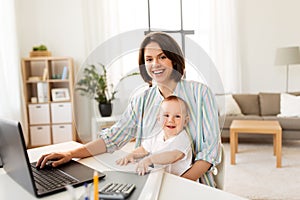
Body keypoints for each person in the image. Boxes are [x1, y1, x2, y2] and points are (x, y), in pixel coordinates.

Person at [36, 32, 222, 187]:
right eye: (148, 59)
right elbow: (113, 138)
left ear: (174, 60)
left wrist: (176, 187)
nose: (155, 64)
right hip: (148, 180)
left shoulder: (200, 93)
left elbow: (209, 153)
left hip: (191, 184)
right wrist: (71, 154)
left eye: (162, 57)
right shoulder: (141, 100)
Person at [116, 95, 192, 176]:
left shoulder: (182, 138)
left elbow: (173, 156)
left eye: (177, 116)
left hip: (179, 181)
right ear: (159, 119)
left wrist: (150, 159)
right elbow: (143, 149)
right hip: (160, 176)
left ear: (185, 121)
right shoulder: (157, 135)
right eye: (166, 115)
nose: (171, 120)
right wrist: (131, 155)